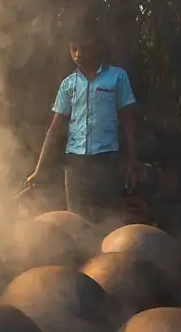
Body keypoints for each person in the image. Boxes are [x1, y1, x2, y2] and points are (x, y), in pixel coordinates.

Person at [26, 28, 138, 226]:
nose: (78, 54)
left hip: (107, 161)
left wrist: (132, 162)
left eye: (84, 48)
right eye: (74, 49)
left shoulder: (117, 77)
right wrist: (39, 169)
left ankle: (109, 256)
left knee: (109, 221)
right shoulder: (68, 84)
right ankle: (81, 256)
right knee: (76, 222)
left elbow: (128, 121)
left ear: (97, 47)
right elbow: (55, 128)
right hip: (75, 165)